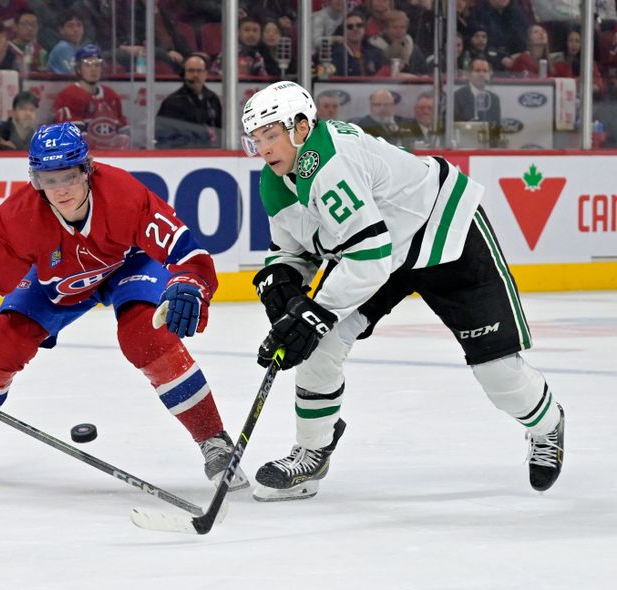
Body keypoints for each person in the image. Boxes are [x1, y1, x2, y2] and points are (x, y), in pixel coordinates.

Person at [240, 80, 565, 502]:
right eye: (257, 140)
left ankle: (547, 425)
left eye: (272, 135)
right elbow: (292, 250)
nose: (264, 149)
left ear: (301, 128)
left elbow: (368, 257)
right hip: (378, 248)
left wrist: (314, 313)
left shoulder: (328, 163)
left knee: (498, 373)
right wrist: (281, 282)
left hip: (444, 234)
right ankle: (312, 451)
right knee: (321, 344)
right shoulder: (277, 181)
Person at [0, 121, 250, 493]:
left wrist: (190, 281)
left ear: (87, 169)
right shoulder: (18, 218)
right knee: (1, 348)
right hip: (59, 278)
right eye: (48, 179)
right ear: (35, 179)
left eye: (69, 177)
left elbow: (186, 251)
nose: (60, 190)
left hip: (129, 265)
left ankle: (215, 442)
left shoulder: (124, 195)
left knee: (145, 337)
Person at [53, 43, 130, 150]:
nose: (93, 69)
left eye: (97, 64)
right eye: (88, 65)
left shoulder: (111, 96)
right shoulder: (68, 95)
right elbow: (71, 137)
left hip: (112, 155)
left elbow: (123, 131)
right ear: (79, 69)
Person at [155, 53, 222, 149]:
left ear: (206, 74)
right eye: (191, 71)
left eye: (199, 71)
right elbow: (163, 136)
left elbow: (221, 130)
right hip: (183, 154)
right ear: (184, 74)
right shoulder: (172, 102)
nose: (195, 75)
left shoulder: (212, 99)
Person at [454, 57, 502, 148]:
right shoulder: (458, 96)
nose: (481, 74)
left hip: (488, 150)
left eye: (485, 71)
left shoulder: (494, 99)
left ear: (489, 74)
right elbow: (455, 126)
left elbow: (496, 129)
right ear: (469, 74)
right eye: (477, 70)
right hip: (463, 147)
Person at [330, 11, 385, 77]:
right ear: (344, 31)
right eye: (350, 26)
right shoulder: (334, 54)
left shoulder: (376, 53)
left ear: (364, 29)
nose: (355, 29)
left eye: (359, 25)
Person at [46, 9, 85, 74]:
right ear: (61, 30)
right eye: (70, 26)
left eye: (79, 25)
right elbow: (74, 75)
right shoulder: (62, 48)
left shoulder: (82, 49)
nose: (76, 29)